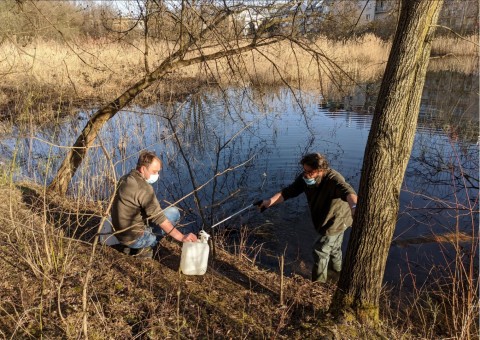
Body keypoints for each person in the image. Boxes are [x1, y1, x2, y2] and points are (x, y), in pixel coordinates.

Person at [258, 153, 358, 283]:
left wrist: (355, 208)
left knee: (320, 250)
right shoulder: (305, 179)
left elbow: (349, 192)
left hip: (336, 220)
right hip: (326, 218)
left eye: (309, 172)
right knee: (334, 249)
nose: (305, 174)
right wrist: (268, 202)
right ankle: (337, 277)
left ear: (320, 170)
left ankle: (318, 284)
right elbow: (288, 192)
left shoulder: (333, 179)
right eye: (304, 170)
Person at [111, 151, 197, 258]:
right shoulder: (144, 188)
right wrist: (182, 237)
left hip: (119, 233)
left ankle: (129, 246)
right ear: (143, 169)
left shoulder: (125, 178)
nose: (157, 175)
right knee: (174, 213)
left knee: (163, 214)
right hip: (134, 238)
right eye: (154, 172)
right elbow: (160, 219)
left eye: (158, 172)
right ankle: (144, 249)